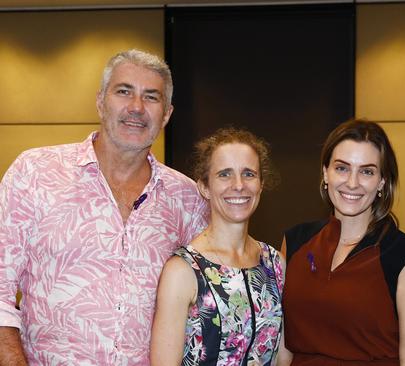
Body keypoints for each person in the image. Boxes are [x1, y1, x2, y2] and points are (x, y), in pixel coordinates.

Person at [0, 49, 208, 365]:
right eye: (124, 92)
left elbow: (206, 306)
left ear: (166, 114)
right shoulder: (34, 173)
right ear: (100, 101)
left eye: (151, 97)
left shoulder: (188, 198)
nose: (136, 107)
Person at [279, 119, 405, 365]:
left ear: (382, 181)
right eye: (342, 168)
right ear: (325, 172)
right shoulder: (296, 241)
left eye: (367, 171)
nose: (352, 183)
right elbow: (284, 347)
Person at [150, 127, 284, 366]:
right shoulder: (183, 270)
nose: (239, 185)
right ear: (204, 187)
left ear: (261, 185)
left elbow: (283, 358)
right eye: (224, 174)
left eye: (249, 174)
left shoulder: (275, 264)